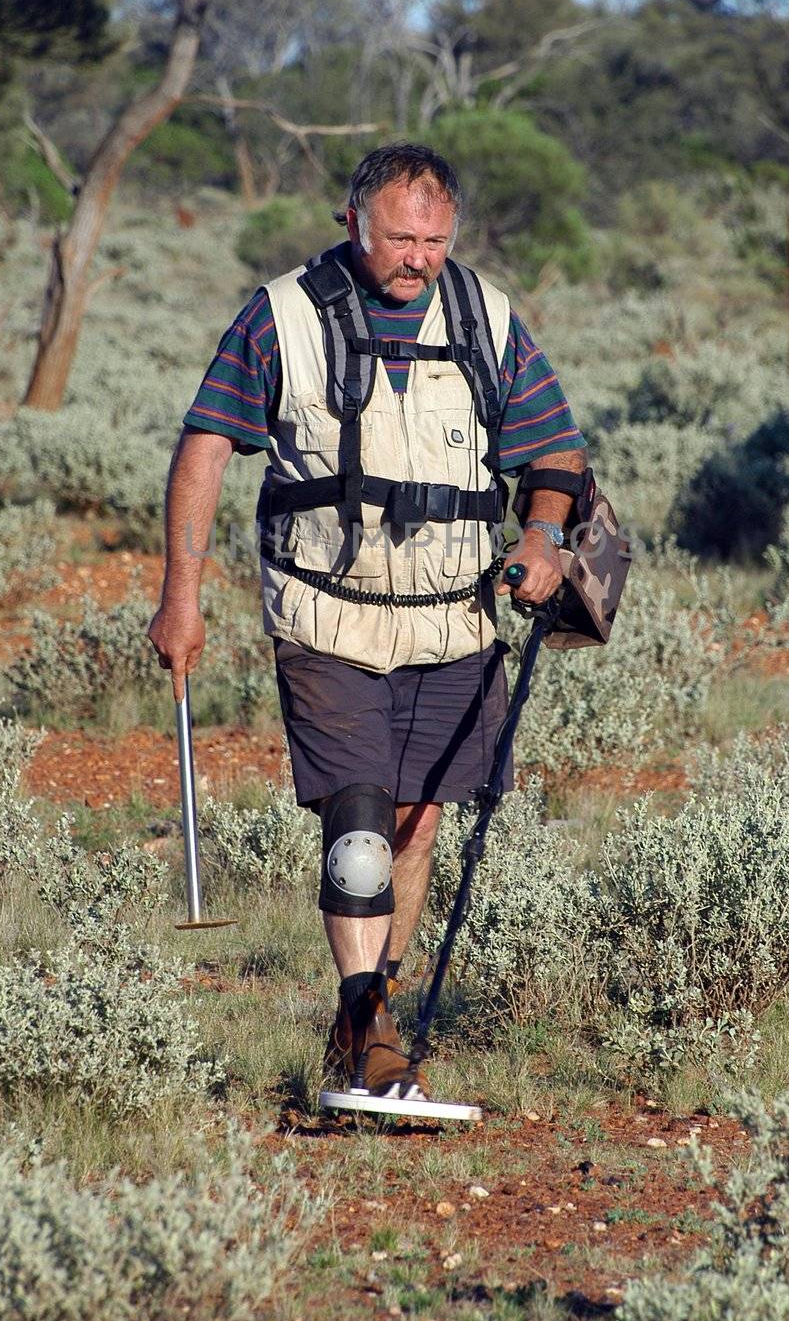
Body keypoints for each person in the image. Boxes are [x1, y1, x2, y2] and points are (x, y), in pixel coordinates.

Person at [149, 143, 588, 1103]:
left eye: (435, 239)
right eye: (399, 237)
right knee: (357, 817)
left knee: (416, 819)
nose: (418, 257)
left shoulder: (489, 317)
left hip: (456, 623)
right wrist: (181, 593)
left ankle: (369, 1013)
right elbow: (206, 446)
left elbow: (555, 452)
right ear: (354, 224)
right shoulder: (283, 317)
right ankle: (368, 1023)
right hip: (325, 614)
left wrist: (546, 538)